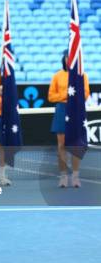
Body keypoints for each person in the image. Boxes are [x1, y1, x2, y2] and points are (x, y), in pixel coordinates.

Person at [48, 50, 90, 188]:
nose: (69, 59)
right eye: (67, 57)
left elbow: (85, 94)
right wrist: (66, 96)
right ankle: (63, 176)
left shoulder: (81, 75)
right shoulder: (57, 76)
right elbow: (51, 97)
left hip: (76, 110)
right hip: (61, 110)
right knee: (61, 145)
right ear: (64, 59)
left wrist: (72, 97)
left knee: (76, 144)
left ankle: (76, 176)